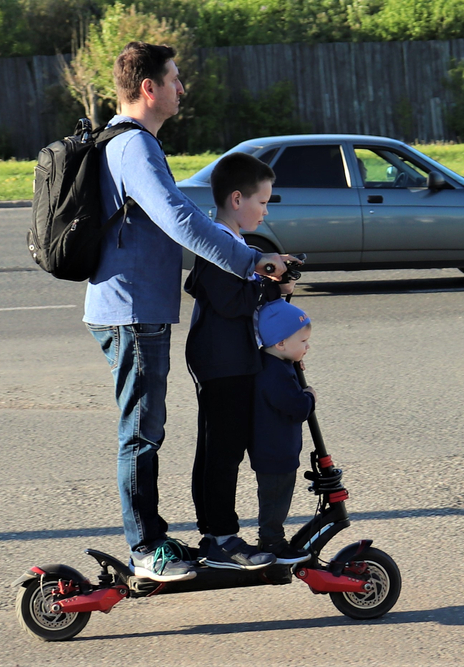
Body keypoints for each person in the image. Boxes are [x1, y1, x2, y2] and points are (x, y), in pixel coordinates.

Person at [83, 41, 292, 583]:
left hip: (137, 308)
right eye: (175, 78)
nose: (182, 87)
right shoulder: (133, 148)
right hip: (129, 311)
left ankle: (153, 539)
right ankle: (146, 549)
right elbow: (178, 219)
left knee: (147, 429)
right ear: (148, 88)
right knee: (141, 433)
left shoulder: (132, 144)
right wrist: (252, 260)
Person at [184, 152, 289, 570]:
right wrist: (271, 289)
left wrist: (273, 280)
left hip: (230, 360)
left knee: (218, 447)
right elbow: (229, 301)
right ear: (236, 199)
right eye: (262, 201)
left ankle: (215, 531)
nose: (266, 209)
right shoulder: (219, 243)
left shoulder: (236, 244)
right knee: (222, 450)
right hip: (221, 362)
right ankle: (221, 538)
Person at [250, 299, 316, 564]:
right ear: (280, 344)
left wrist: (294, 363)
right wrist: (309, 396)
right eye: (302, 342)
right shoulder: (273, 374)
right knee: (276, 501)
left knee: (276, 498)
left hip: (276, 448)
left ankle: (272, 537)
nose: (307, 346)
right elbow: (296, 407)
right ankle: (272, 541)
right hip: (275, 452)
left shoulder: (275, 364)